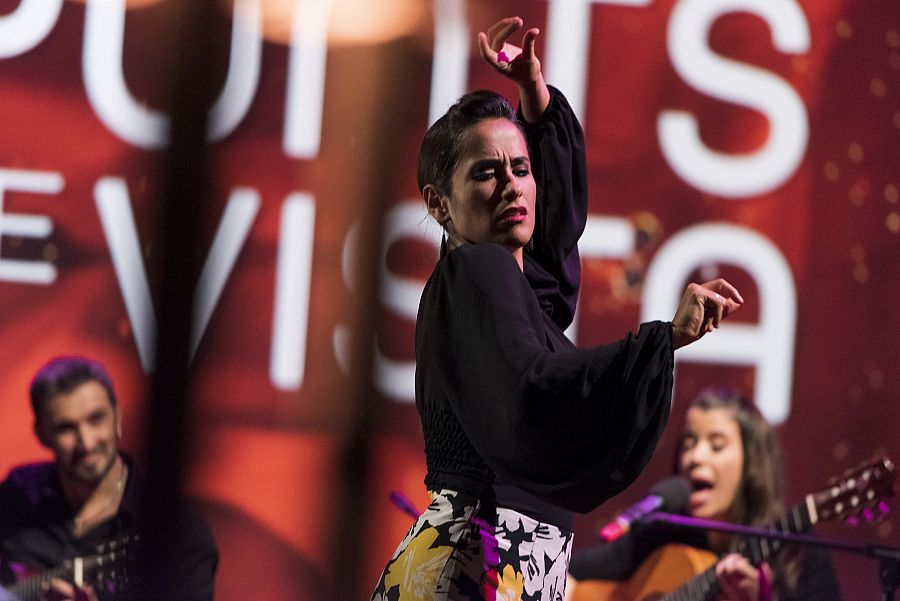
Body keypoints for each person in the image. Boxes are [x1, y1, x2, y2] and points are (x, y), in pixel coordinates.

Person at [371, 16, 743, 601]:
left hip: (503, 562)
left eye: (521, 169)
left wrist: (534, 94)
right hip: (481, 561)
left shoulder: (509, 290)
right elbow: (538, 389)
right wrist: (661, 338)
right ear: (439, 205)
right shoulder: (478, 268)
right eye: (486, 174)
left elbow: (551, 251)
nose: (514, 186)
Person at [566, 387, 841, 601]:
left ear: (751, 464)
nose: (695, 457)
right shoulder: (661, 534)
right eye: (689, 443)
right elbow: (565, 574)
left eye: (717, 445)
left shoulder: (799, 554)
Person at [0, 356, 218, 601]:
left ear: (118, 417)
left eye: (96, 419)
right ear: (42, 434)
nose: (87, 442)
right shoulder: (19, 492)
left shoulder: (177, 529)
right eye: (66, 428)